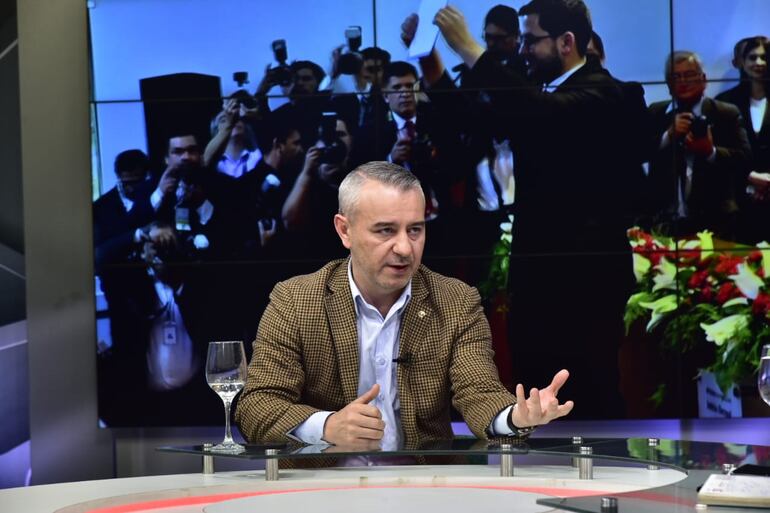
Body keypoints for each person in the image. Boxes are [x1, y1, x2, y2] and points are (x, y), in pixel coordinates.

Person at [235, 161, 573, 447]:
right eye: (385, 231)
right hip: (324, 485)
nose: (404, 248)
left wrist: (514, 418)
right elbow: (256, 406)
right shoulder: (295, 301)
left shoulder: (456, 301)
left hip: (425, 484)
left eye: (415, 230)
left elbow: (479, 392)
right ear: (344, 230)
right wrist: (327, 426)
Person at [426, 0, 631, 417]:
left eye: (531, 41)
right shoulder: (541, 91)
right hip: (538, 280)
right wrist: (430, 64)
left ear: (566, 42)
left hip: (585, 285)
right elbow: (472, 119)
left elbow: (542, 114)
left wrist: (469, 47)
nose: (522, 51)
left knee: (587, 396)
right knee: (536, 393)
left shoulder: (605, 92)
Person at [646, 51, 751, 238]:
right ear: (668, 84)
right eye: (676, 77)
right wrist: (668, 136)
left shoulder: (725, 113)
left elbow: (745, 159)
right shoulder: (656, 112)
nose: (683, 82)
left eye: (689, 75)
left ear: (703, 79)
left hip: (716, 221)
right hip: (665, 222)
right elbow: (638, 153)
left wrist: (710, 151)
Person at [716, 36, 770, 243]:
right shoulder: (724, 102)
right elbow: (720, 151)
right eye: (753, 57)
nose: (759, 63)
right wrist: (750, 177)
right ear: (742, 62)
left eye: (764, 57)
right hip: (738, 199)